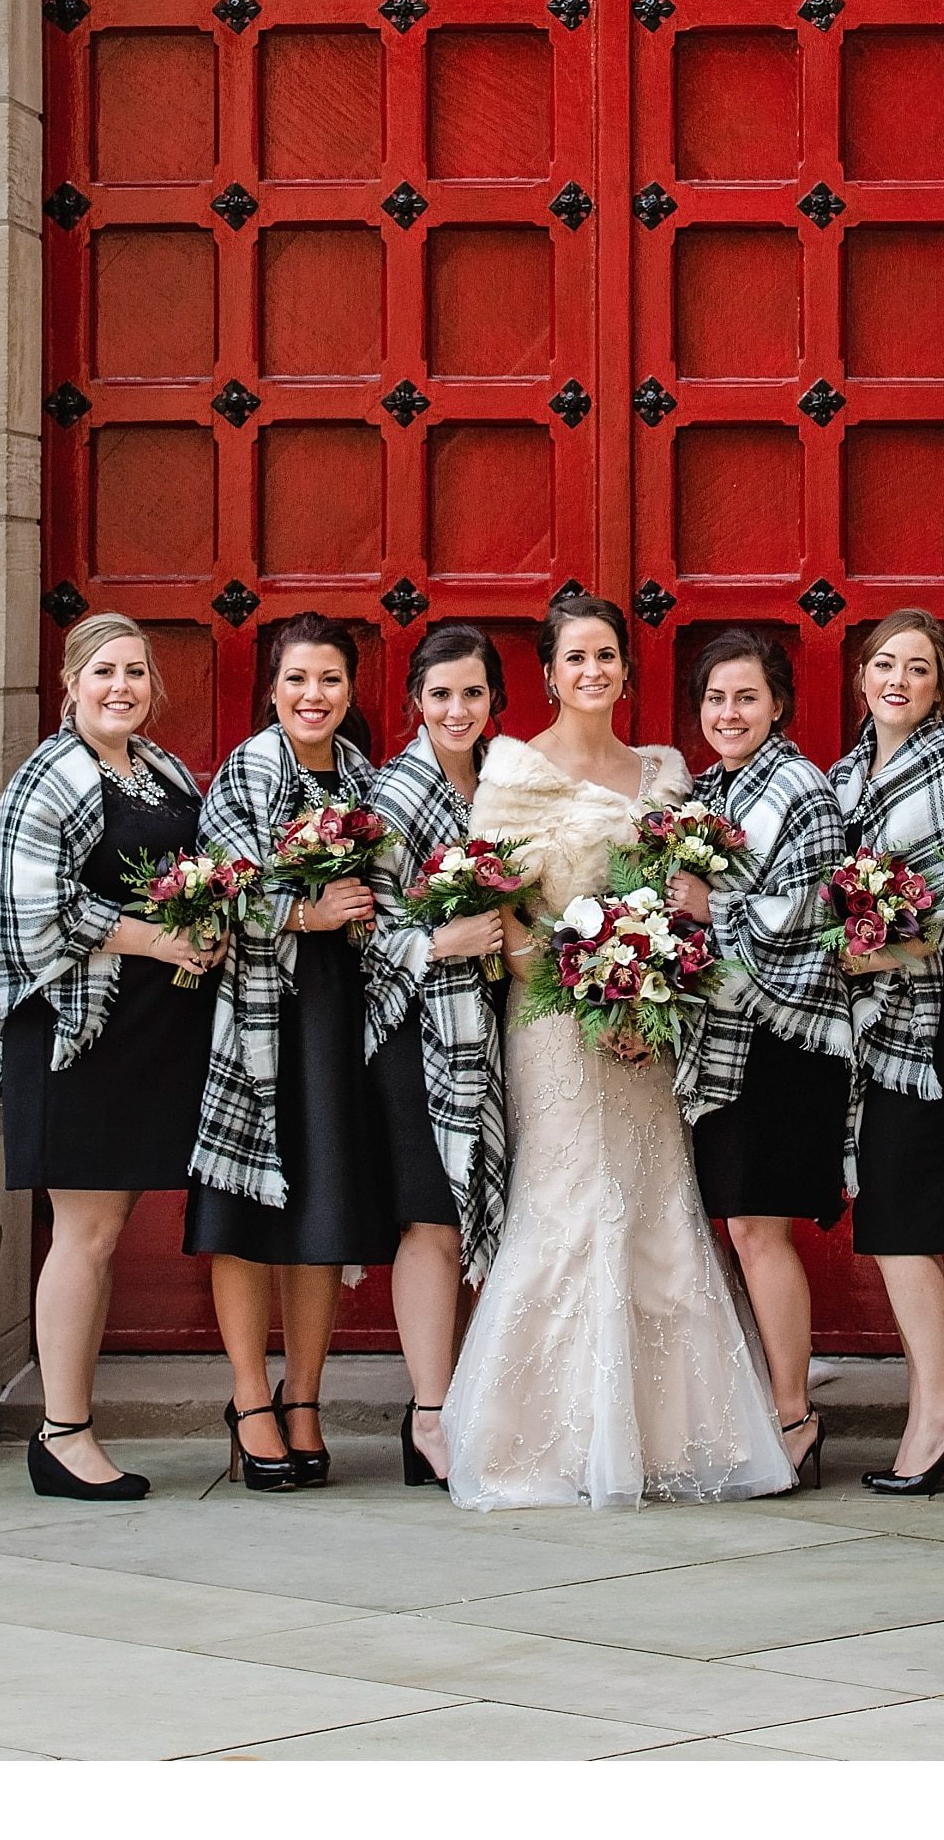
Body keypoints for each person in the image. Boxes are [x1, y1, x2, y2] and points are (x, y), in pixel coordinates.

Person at [438, 588, 795, 1508]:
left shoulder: (665, 772)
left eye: (606, 656)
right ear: (550, 674)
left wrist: (648, 991)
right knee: (567, 1206)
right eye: (575, 658)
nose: (592, 672)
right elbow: (500, 905)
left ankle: (665, 1440)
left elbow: (681, 895)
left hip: (651, 1027)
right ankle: (544, 1446)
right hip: (555, 1028)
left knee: (654, 1208)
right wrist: (579, 990)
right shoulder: (512, 774)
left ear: (624, 670)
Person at [0, 612, 215, 1501]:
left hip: (138, 1035)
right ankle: (62, 1435)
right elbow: (35, 909)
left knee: (105, 1233)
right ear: (70, 681)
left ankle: (70, 1425)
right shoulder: (49, 778)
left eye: (137, 673)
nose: (122, 687)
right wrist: (158, 939)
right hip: (72, 1036)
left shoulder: (160, 769)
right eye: (105, 671)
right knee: (84, 1232)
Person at [184, 613, 391, 1491]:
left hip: (339, 1015)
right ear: (273, 688)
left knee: (324, 1214)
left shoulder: (363, 779)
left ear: (350, 691)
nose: (316, 696)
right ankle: (249, 1401)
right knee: (244, 1213)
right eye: (300, 680)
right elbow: (213, 893)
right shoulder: (248, 771)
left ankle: (303, 1397)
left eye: (332, 681)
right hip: (260, 1017)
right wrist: (300, 913)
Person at [673, 628, 851, 1489]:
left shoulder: (803, 790)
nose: (729, 713)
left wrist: (714, 905)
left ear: (778, 703)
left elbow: (812, 923)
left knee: (758, 1227)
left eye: (746, 697)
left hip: (784, 1040)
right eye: (715, 698)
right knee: (730, 1228)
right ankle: (762, 1402)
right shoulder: (704, 792)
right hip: (720, 1041)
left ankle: (794, 1413)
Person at [833, 607, 944, 1496]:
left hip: (935, 1026)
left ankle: (939, 1414)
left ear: (940, 688)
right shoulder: (848, 775)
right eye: (885, 665)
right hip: (876, 1025)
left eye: (919, 669)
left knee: (903, 1218)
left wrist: (882, 952)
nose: (898, 680)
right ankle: (937, 1410)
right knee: (898, 1217)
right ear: (862, 678)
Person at [361, 622, 517, 1490]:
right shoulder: (393, 796)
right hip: (415, 1033)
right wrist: (440, 940)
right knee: (431, 1217)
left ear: (495, 700)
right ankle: (428, 1413)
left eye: (473, 693)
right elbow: (364, 931)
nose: (458, 709)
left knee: (493, 1207)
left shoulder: (505, 781)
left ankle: (483, 1398)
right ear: (416, 701)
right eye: (441, 694)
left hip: (499, 1025)